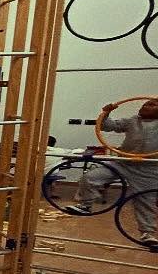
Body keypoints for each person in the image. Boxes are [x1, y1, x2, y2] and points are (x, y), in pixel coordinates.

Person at [68, 97, 158, 244]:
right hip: (123, 162)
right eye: (146, 103)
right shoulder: (132, 121)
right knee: (91, 177)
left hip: (149, 168)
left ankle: (147, 233)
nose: (146, 105)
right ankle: (85, 205)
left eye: (152, 105)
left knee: (145, 201)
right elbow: (107, 126)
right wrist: (106, 113)